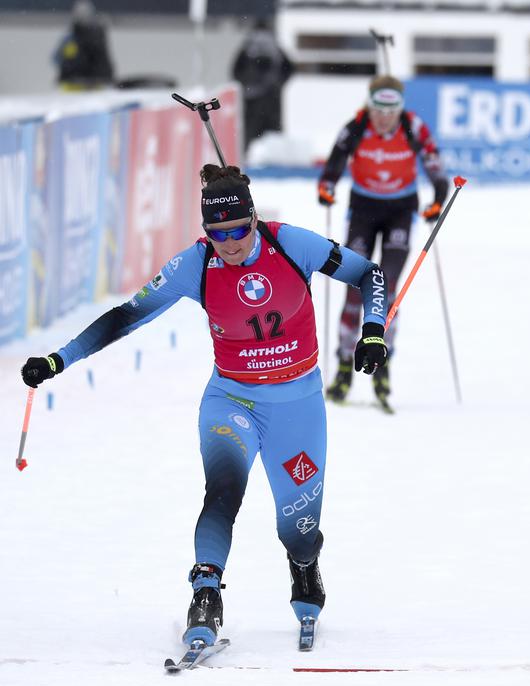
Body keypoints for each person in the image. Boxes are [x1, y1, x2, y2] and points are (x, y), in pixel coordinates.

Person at [20, 164, 389, 649]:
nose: (230, 243)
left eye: (238, 230)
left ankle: (303, 565)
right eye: (218, 234)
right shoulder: (194, 264)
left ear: (255, 219)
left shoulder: (291, 244)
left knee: (298, 527)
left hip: (298, 403)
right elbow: (126, 316)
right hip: (231, 399)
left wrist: (373, 331)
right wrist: (58, 359)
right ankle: (206, 593)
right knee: (223, 491)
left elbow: (370, 274)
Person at [318, 75, 448, 411]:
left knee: (386, 290)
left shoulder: (414, 127)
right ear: (369, 106)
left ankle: (381, 363)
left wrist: (438, 197)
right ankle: (345, 363)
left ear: (400, 109)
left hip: (401, 211)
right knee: (352, 288)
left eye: (391, 110)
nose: (384, 117)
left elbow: (435, 164)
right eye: (378, 109)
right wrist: (327, 186)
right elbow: (335, 159)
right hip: (363, 209)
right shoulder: (356, 127)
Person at [231, 17, 294, 145]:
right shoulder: (274, 46)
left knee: (250, 133)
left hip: (252, 98)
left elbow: (235, 71)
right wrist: (278, 84)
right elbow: (290, 68)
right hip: (272, 98)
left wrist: (246, 85)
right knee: (272, 135)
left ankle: (249, 159)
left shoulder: (248, 46)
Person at [53, 0, 114, 91]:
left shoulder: (71, 38)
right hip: (95, 83)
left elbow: (56, 58)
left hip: (75, 83)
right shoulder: (98, 35)